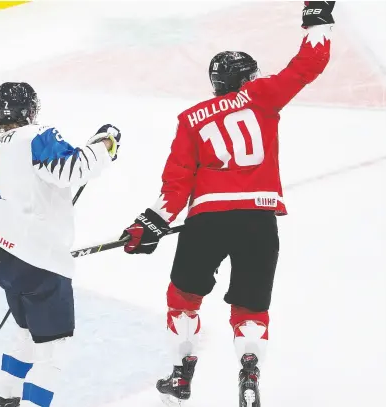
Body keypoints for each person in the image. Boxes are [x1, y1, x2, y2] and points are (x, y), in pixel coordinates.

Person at [119, 2, 334, 406]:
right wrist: (316, 15)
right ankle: (249, 371)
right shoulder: (262, 96)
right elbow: (310, 63)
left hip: (207, 221)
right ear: (244, 78)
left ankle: (181, 375)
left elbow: (176, 182)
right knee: (250, 308)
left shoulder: (192, 117)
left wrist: (149, 224)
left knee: (183, 299)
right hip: (258, 219)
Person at [0, 82, 121, 407]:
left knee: (26, 335)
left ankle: (5, 401)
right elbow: (73, 169)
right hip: (39, 261)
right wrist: (105, 144)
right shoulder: (36, 136)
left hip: (5, 260)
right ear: (31, 110)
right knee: (53, 351)